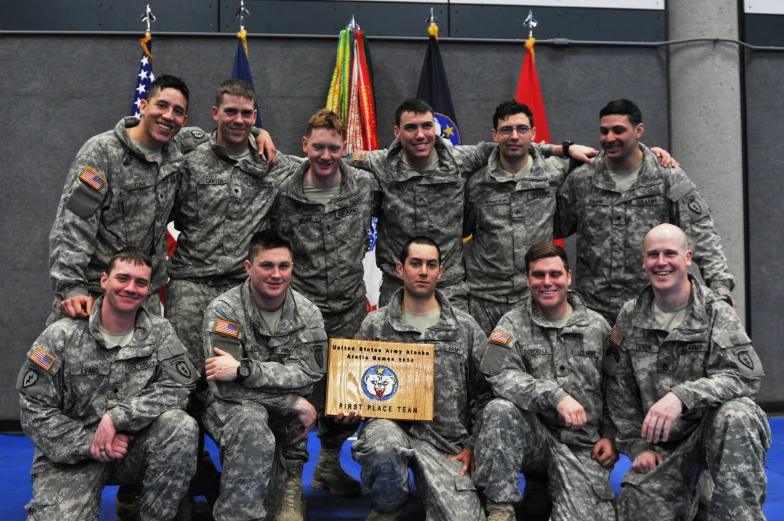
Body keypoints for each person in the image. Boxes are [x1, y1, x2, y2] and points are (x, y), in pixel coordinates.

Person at [165, 78, 299, 516]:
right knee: (183, 385)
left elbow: (328, 159)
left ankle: (245, 476)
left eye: (248, 114)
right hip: (189, 286)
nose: (239, 121)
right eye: (231, 112)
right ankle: (186, 478)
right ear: (214, 113)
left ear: (256, 116)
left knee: (236, 384)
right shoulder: (188, 156)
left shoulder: (270, 163)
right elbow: (154, 128)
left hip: (242, 293)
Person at [48, 75, 277, 325]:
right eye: (162, 105)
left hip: (144, 297)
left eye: (178, 111)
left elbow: (232, 129)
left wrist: (258, 133)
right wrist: (71, 287)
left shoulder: (177, 148)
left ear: (184, 120)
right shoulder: (102, 153)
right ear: (144, 106)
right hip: (96, 291)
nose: (168, 116)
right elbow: (73, 225)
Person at [348, 99, 592, 313]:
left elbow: (511, 145)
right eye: (411, 127)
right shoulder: (381, 163)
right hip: (397, 285)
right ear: (397, 132)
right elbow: (332, 158)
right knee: (398, 361)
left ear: (436, 128)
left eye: (426, 126)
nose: (420, 135)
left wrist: (564, 148)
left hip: (449, 286)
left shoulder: (459, 160)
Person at [18, 247, 199, 520]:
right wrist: (90, 442)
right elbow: (33, 409)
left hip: (130, 448)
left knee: (181, 426)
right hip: (72, 457)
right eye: (122, 278)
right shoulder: (61, 335)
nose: (131, 288)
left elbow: (181, 386)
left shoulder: (160, 332)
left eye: (141, 282)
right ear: (104, 280)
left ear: (149, 289)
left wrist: (118, 417)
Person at [605, 224, 770, 521]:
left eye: (670, 253)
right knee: (635, 508)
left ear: (688, 257)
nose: (661, 262)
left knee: (738, 414)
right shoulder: (630, 315)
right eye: (653, 255)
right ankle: (698, 491)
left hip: (713, 433)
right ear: (643, 261)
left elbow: (746, 377)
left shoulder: (716, 311)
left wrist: (682, 396)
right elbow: (619, 391)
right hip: (664, 448)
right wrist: (638, 446)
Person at [272, 109, 381, 496]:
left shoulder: (365, 185)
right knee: (298, 400)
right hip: (301, 313)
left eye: (334, 148)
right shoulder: (284, 192)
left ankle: (330, 466)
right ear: (305, 146)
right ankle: (289, 486)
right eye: (317, 147)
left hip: (350, 307)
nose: (325, 155)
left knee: (349, 399)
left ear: (344, 148)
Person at [556, 99, 735, 324]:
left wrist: (720, 285)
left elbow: (700, 230)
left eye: (618, 130)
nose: (609, 138)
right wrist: (552, 156)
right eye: (604, 131)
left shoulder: (666, 176)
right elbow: (547, 225)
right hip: (595, 316)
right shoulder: (582, 179)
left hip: (653, 311)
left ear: (638, 130)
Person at [350, 236, 491, 521]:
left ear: (441, 272)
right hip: (391, 429)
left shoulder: (465, 327)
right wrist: (349, 409)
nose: (423, 271)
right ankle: (388, 507)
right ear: (400, 269)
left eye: (431, 264)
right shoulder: (374, 325)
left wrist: (473, 445)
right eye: (416, 264)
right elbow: (356, 390)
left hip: (446, 443)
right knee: (381, 443)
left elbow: (485, 393)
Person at [474, 243, 617, 521]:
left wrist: (611, 435)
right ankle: (500, 507)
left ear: (569, 276)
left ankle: (544, 487)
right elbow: (495, 373)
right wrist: (554, 395)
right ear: (528, 279)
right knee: (499, 409)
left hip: (582, 444)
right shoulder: (510, 323)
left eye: (555, 274)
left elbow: (617, 387)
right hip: (534, 438)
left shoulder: (598, 326)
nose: (547, 282)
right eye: (538, 275)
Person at [200, 229, 328, 521]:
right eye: (266, 265)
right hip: (231, 411)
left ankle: (289, 481)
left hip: (287, 423)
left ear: (292, 268)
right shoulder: (225, 311)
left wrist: (244, 370)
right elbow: (224, 388)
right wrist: (289, 401)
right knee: (251, 418)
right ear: (248, 267)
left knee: (273, 510)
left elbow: (310, 373)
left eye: (283, 266)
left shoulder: (308, 314)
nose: (276, 274)